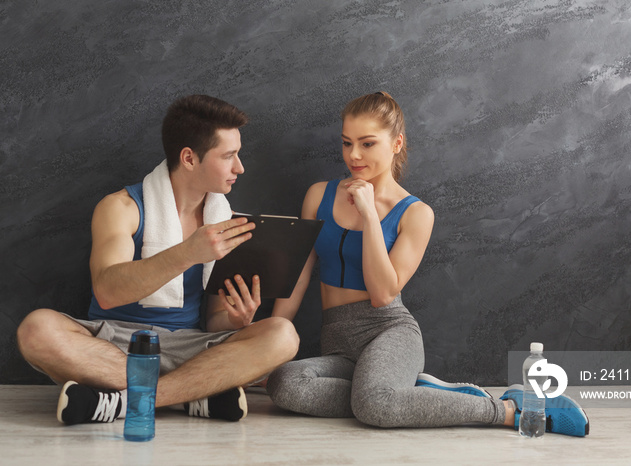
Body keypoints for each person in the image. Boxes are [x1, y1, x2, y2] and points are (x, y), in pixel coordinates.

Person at [265, 92, 589, 436]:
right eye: (347, 143)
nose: (354, 155)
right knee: (284, 383)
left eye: (367, 143)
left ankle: (507, 409)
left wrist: (370, 214)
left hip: (388, 332)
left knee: (374, 405)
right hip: (338, 343)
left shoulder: (416, 214)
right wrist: (268, 345)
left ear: (396, 143)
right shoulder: (319, 196)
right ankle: (411, 395)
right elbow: (297, 277)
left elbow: (382, 294)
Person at [16, 95, 299, 426]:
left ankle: (120, 402)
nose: (240, 167)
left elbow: (215, 322)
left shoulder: (226, 221)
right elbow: (107, 290)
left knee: (283, 334)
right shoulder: (121, 208)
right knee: (36, 330)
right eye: (228, 156)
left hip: (191, 348)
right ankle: (190, 396)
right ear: (189, 158)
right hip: (116, 344)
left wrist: (237, 320)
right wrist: (188, 251)